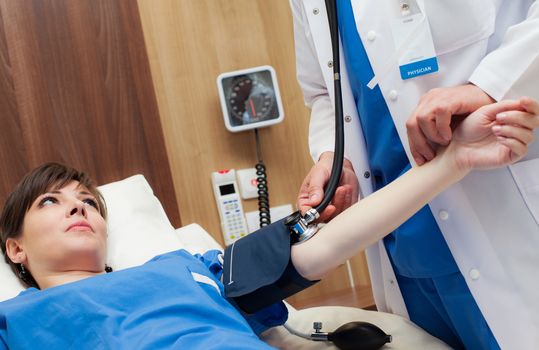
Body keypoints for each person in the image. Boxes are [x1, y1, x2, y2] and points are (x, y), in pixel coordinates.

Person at [0, 99, 537, 349]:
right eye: (50, 201)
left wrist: (452, 163)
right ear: (15, 249)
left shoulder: (188, 269)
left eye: (90, 202)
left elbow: (323, 245)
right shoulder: (17, 322)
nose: (79, 208)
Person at [289, 1, 539, 349]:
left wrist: (489, 86)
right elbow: (323, 92)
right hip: (405, 254)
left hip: (503, 211)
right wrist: (335, 157)